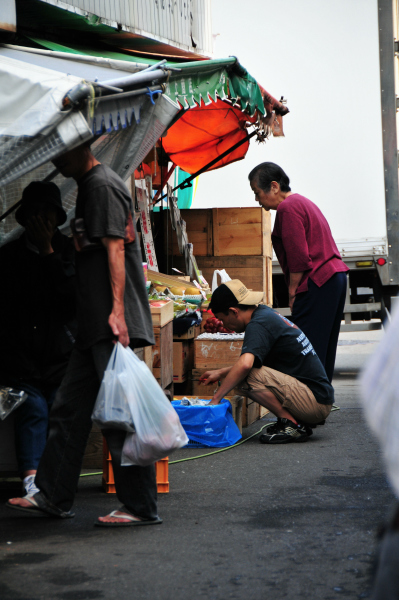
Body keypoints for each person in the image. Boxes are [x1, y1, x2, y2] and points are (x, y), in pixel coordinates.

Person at [7, 143, 160, 527]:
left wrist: (118, 314)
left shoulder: (101, 186)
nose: (57, 160)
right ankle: (54, 496)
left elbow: (115, 251)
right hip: (91, 328)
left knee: (118, 417)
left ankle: (140, 506)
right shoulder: (89, 187)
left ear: (82, 146)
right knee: (68, 410)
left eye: (62, 152)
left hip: (108, 325)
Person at [0, 181, 76, 496]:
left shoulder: (69, 251)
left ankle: (55, 479)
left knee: (59, 412)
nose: (40, 222)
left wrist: (48, 253)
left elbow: (70, 300)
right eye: (35, 215)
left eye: (47, 215)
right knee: (32, 409)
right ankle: (31, 479)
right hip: (19, 356)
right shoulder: (9, 256)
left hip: (60, 354)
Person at [248, 162, 349, 382]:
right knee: (323, 347)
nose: (257, 200)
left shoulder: (288, 207)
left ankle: (307, 407)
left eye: (257, 193)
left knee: (306, 348)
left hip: (318, 281)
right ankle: (320, 402)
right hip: (335, 278)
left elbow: (299, 257)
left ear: (274, 186)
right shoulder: (303, 202)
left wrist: (292, 291)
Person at [200, 279, 334, 443]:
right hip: (316, 398)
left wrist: (215, 400)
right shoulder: (264, 314)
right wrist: (220, 373)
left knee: (245, 376)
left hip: (314, 403)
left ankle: (291, 425)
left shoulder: (258, 324)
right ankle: (293, 422)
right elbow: (254, 362)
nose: (224, 324)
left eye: (222, 319)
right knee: (245, 372)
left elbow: (246, 365)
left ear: (234, 311)